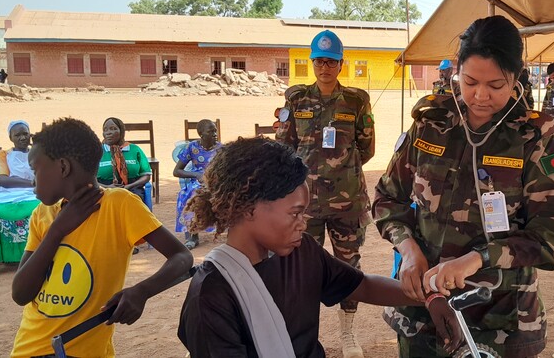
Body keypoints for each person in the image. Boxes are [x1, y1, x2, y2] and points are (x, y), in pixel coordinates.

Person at [373, 15, 554, 358]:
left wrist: (477, 259)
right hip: (422, 311)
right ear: (457, 70)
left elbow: (552, 236)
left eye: (496, 85)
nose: (481, 96)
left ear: (516, 77)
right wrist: (407, 249)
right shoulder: (429, 126)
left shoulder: (534, 139)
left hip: (498, 318)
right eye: (469, 81)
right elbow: (387, 199)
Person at [178, 136, 461, 358]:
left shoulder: (301, 252)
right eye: (295, 213)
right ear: (249, 209)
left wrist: (429, 298)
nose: (304, 223)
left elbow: (360, 286)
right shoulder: (211, 296)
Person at [9, 118, 193, 358]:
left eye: (35, 170)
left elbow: (182, 256)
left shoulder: (119, 205)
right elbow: (20, 294)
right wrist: (57, 231)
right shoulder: (43, 215)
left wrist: (142, 291)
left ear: (63, 167)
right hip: (28, 349)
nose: (32, 180)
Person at [275, 29, 375, 358]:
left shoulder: (357, 100)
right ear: (312, 62)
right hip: (305, 204)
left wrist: (339, 168)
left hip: (347, 201)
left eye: (331, 61)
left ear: (341, 64)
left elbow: (367, 148)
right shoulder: (295, 98)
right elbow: (284, 147)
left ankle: (348, 333)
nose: (325, 67)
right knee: (301, 268)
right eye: (319, 60)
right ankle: (306, 337)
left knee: (348, 266)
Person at [0, 121, 40, 269]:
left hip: (33, 193)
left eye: (25, 134)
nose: (22, 138)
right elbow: (2, 180)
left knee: (39, 209)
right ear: (10, 138)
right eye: (17, 135)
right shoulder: (4, 155)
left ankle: (38, 253)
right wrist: (31, 183)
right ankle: (2, 257)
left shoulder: (38, 153)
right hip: (7, 194)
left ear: (30, 135)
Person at [174, 119, 221, 250]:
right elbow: (177, 171)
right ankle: (192, 235)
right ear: (201, 134)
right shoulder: (192, 148)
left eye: (215, 131)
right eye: (211, 131)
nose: (215, 134)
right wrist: (196, 175)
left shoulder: (220, 149)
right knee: (189, 194)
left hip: (215, 181)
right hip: (197, 181)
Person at [97, 117, 152, 203]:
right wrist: (108, 187)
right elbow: (88, 180)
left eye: (113, 129)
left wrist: (130, 186)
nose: (108, 133)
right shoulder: (97, 151)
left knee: (132, 202)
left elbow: (146, 175)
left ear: (121, 131)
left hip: (132, 188)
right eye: (105, 130)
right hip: (103, 189)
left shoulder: (134, 149)